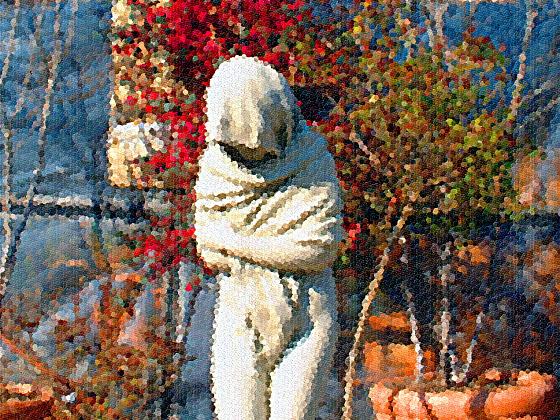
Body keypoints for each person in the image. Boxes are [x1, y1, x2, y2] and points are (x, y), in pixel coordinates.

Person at [194, 55, 344, 420]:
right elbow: (208, 249)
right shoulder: (216, 167)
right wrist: (270, 247)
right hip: (241, 313)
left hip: (306, 314)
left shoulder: (312, 160)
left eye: (253, 139)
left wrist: (234, 242)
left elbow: (318, 249)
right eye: (236, 142)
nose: (248, 151)